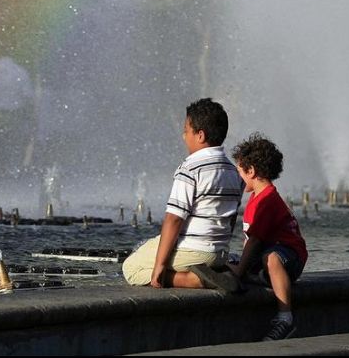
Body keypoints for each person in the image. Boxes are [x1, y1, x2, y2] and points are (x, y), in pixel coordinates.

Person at [122, 98, 244, 290]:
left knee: (132, 267)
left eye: (186, 131)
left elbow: (174, 219)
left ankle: (193, 280)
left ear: (200, 135)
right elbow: (231, 218)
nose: (183, 136)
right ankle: (217, 271)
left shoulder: (190, 168)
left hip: (194, 250)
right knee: (153, 248)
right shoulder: (234, 171)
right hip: (220, 252)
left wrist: (160, 265)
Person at [227, 133, 307, 341]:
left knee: (270, 258)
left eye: (240, 172)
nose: (239, 178)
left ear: (251, 171)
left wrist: (239, 272)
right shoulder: (256, 198)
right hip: (269, 254)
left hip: (290, 257)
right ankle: (257, 276)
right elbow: (250, 240)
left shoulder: (267, 200)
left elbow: (254, 241)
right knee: (233, 258)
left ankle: (285, 318)